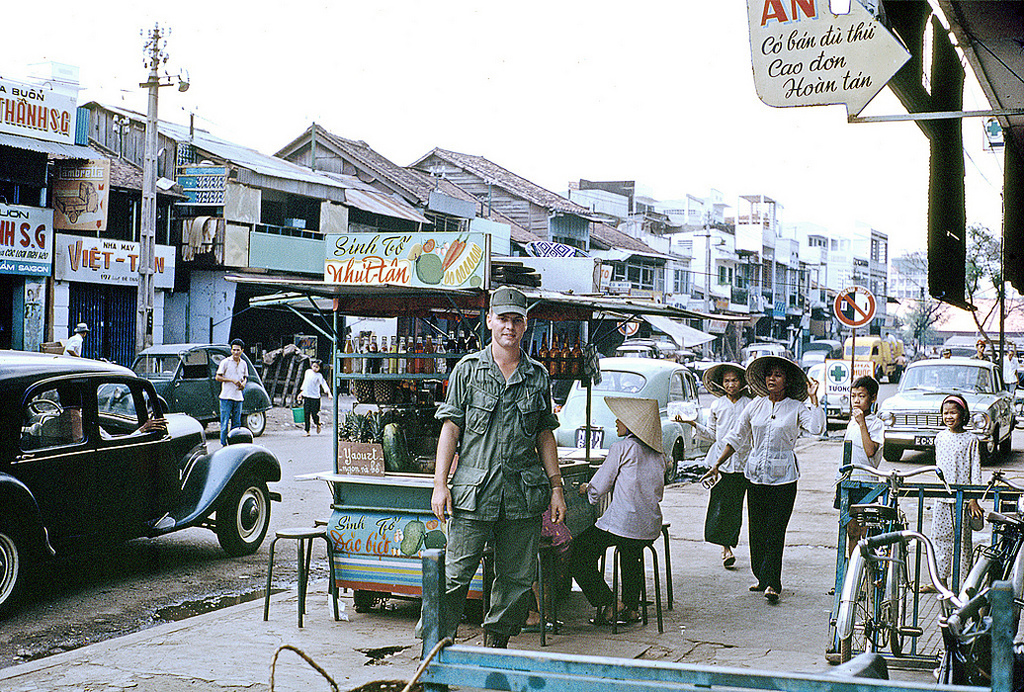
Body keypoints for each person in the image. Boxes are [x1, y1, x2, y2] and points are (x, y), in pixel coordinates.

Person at [429, 285, 565, 649]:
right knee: (454, 576)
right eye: (502, 318)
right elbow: (451, 429)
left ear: (526, 325)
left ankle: (495, 649)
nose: (509, 327)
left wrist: (556, 487)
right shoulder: (467, 371)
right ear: (489, 321)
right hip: (474, 492)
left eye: (516, 320)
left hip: (522, 494)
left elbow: (544, 434)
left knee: (516, 580)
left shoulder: (537, 376)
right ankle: (436, 651)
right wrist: (440, 484)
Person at [704, 355, 823, 604]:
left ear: (787, 381)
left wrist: (814, 399)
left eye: (778, 375)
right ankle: (761, 577)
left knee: (775, 530)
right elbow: (736, 437)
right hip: (755, 475)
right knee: (756, 529)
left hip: (784, 479)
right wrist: (717, 464)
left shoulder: (796, 407)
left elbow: (816, 429)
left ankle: (773, 582)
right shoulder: (755, 405)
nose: (772, 378)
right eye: (769, 374)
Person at [571, 397, 665, 625]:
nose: (616, 421)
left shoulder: (621, 448)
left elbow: (600, 485)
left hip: (625, 522)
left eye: (621, 418)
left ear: (633, 424)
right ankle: (632, 609)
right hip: (649, 525)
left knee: (577, 555)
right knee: (631, 553)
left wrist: (587, 489)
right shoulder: (659, 454)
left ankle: (609, 603)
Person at [678, 362, 751, 569]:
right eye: (727, 381)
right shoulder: (717, 405)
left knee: (735, 506)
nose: (730, 384)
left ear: (742, 382)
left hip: (743, 463)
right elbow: (712, 434)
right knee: (720, 505)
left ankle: (729, 542)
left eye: (734, 380)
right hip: (719, 464)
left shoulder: (749, 404)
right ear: (721, 384)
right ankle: (725, 547)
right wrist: (693, 424)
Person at [925, 395, 983, 592]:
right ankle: (939, 582)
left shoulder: (971, 440)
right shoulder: (940, 437)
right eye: (945, 413)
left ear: (963, 415)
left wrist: (974, 498)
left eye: (953, 412)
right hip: (942, 498)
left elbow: (975, 469)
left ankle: (963, 585)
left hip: (963, 499)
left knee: (962, 543)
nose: (948, 416)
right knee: (940, 541)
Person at [834, 376, 883, 557]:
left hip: (866, 484)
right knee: (851, 531)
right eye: (853, 396)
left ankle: (866, 577)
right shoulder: (851, 423)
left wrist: (862, 423)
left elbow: (870, 451)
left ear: (873, 398)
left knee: (865, 533)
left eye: (861, 396)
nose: (856, 400)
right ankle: (851, 577)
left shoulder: (877, 424)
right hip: (848, 482)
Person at [215, 339, 248, 446]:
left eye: (238, 350)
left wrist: (243, 383)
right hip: (226, 397)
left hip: (238, 397)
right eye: (234, 350)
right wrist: (231, 380)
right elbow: (218, 377)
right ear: (231, 350)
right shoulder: (225, 362)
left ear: (242, 351)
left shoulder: (243, 363)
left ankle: (235, 445)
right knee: (224, 424)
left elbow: (245, 377)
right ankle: (223, 444)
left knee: (237, 424)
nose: (236, 352)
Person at [297, 359, 331, 436]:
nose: (315, 368)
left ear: (320, 368)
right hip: (307, 396)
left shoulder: (319, 376)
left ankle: (317, 423)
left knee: (314, 414)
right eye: (314, 366)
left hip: (315, 397)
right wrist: (301, 393)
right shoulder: (308, 372)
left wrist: (329, 393)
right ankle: (307, 431)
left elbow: (324, 384)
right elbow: (305, 383)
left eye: (317, 367)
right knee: (306, 413)